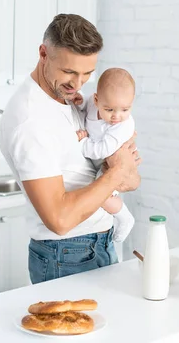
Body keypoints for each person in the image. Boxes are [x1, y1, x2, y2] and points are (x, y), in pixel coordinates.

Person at [0, 14, 141, 284]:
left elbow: (131, 178)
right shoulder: (30, 122)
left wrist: (121, 172)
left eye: (87, 73)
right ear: (43, 53)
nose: (78, 84)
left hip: (98, 242)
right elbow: (60, 219)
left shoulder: (69, 100)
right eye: (69, 72)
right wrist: (118, 171)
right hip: (65, 254)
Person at [72, 68, 137, 244]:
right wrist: (81, 101)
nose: (117, 116)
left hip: (108, 165)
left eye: (125, 109)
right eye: (109, 109)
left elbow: (102, 150)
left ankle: (125, 217)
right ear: (96, 100)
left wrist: (82, 143)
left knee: (102, 195)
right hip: (95, 161)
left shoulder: (123, 126)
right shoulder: (93, 104)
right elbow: (87, 106)